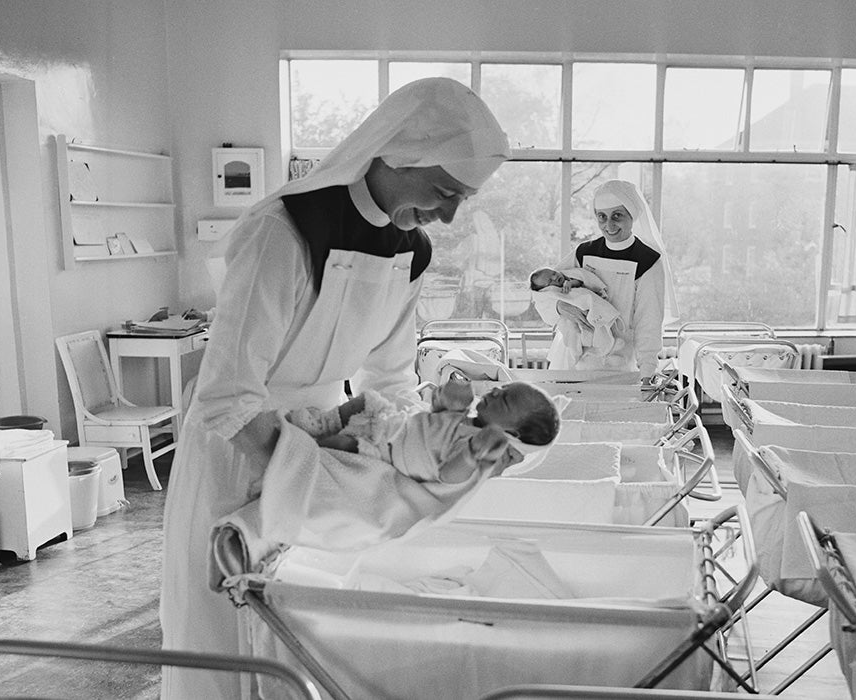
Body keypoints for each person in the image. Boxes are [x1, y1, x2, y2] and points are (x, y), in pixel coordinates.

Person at [159, 77, 509, 700]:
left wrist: (409, 450)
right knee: (223, 639)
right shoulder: (283, 230)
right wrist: (314, 477)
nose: (451, 215)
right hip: (235, 447)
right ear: (396, 153)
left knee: (298, 635)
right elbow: (226, 396)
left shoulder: (413, 251)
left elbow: (392, 378)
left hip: (323, 443)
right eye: (444, 191)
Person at [290, 377, 560, 485]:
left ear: (512, 433)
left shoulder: (480, 450)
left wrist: (472, 454)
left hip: (387, 453)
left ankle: (307, 450)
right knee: (366, 400)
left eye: (505, 399)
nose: (495, 391)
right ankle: (321, 424)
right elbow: (436, 417)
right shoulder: (468, 418)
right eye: (502, 388)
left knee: (344, 445)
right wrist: (446, 399)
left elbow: (450, 477)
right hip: (395, 424)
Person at [544, 179, 678, 382]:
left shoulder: (648, 261)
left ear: (632, 215)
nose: (609, 225)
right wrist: (560, 307)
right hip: (573, 362)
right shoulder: (584, 252)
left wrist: (648, 374)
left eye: (617, 216)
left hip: (619, 366)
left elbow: (648, 323)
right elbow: (542, 290)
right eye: (602, 217)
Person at [530, 266, 625, 362]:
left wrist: (570, 283)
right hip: (567, 318)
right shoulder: (548, 293)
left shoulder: (567, 279)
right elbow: (541, 301)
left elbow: (581, 280)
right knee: (572, 331)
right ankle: (578, 351)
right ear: (545, 288)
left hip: (585, 308)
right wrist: (559, 305)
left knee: (597, 325)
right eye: (550, 281)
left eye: (554, 273)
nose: (555, 277)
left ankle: (607, 347)